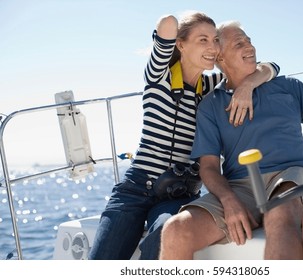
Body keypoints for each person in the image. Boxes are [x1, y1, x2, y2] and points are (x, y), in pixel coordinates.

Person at [158, 21, 303, 260]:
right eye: (239, 43)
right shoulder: (210, 106)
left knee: (278, 214)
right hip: (240, 187)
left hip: (290, 176)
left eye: (249, 40)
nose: (250, 46)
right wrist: (229, 200)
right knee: (176, 229)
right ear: (221, 59)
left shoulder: (289, 87)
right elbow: (208, 167)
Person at [88, 13, 278, 260]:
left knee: (162, 239)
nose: (212, 47)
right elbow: (167, 23)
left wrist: (247, 86)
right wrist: (183, 27)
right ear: (180, 44)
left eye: (216, 40)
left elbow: (270, 67)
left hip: (178, 195)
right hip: (135, 189)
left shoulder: (211, 85)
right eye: (203, 40)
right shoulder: (160, 75)